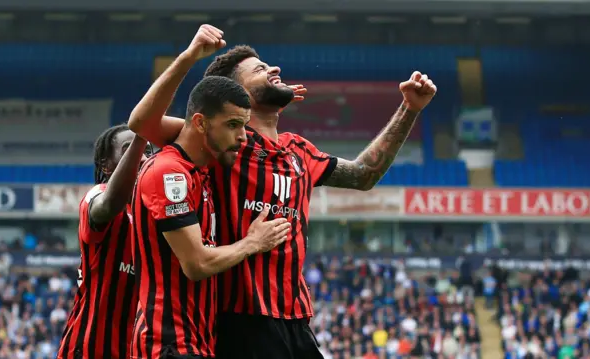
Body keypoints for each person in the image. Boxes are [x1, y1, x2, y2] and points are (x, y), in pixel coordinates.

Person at [128, 24, 437, 359]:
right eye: (260, 69)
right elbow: (144, 124)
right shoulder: (223, 143)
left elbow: (364, 174)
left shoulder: (298, 151)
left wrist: (410, 109)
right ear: (235, 93)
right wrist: (190, 57)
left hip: (296, 321)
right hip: (242, 321)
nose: (275, 69)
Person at [130, 73, 292, 359]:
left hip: (199, 342)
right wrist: (252, 242)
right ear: (200, 123)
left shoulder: (202, 172)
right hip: (168, 344)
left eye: (243, 125)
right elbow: (197, 264)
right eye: (232, 125)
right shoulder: (169, 172)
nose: (242, 136)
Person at [57, 125, 149, 359]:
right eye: (130, 149)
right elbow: (107, 204)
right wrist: (144, 129)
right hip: (90, 349)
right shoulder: (96, 197)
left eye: (149, 150)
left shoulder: (157, 213)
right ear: (106, 165)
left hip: (137, 350)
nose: (144, 157)